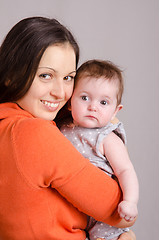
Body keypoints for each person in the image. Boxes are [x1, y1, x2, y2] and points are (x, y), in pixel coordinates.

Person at [0, 17, 136, 240]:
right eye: (45, 75)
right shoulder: (34, 134)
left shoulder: (7, 124)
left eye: (68, 78)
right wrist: (110, 132)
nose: (60, 92)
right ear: (11, 74)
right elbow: (120, 213)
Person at [60, 60, 139, 240]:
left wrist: (130, 201)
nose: (93, 107)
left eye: (103, 102)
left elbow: (125, 170)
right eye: (85, 98)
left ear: (115, 111)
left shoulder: (107, 138)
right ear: (70, 101)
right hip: (71, 207)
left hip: (101, 215)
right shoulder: (62, 127)